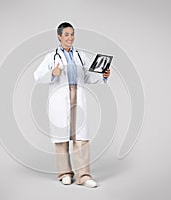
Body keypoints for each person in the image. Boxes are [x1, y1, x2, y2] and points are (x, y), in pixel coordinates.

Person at [33, 22, 110, 188]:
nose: (70, 37)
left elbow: (89, 76)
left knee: (81, 136)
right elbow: (37, 76)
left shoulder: (81, 55)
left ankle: (84, 175)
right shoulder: (51, 57)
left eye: (72, 34)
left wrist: (103, 75)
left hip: (78, 95)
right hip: (60, 97)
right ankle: (65, 173)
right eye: (66, 34)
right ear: (59, 36)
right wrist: (52, 73)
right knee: (61, 137)